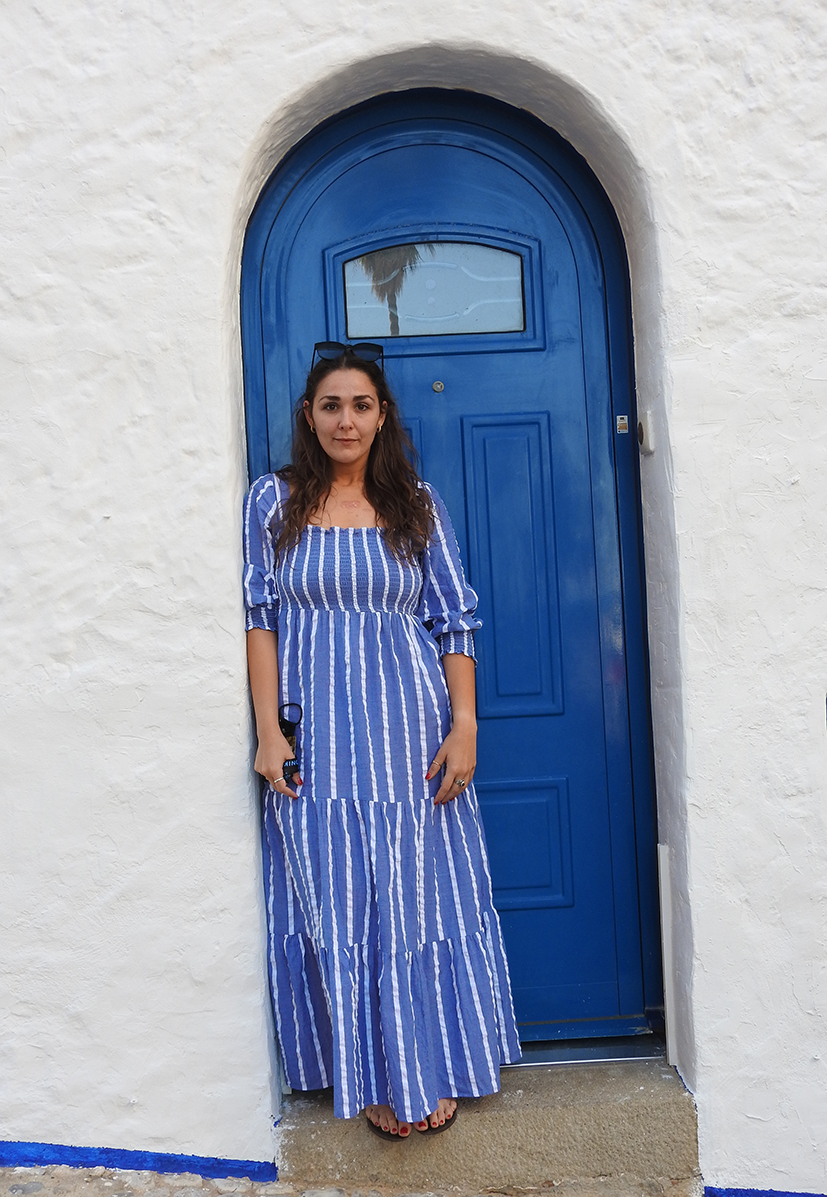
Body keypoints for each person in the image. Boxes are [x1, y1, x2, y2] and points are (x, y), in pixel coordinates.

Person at [243, 342, 521, 1141]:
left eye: (360, 405)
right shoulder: (273, 501)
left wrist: (463, 725)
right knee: (340, 900)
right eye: (331, 405)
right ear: (308, 415)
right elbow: (260, 619)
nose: (346, 420)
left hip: (410, 735)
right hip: (318, 738)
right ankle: (371, 1075)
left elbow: (454, 620)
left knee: (416, 896)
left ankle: (429, 1066)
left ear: (382, 415)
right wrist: (267, 733)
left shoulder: (415, 504)